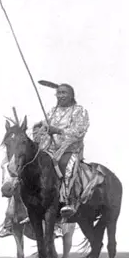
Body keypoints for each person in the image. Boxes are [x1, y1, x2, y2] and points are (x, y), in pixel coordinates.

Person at [32, 83, 90, 218]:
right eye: (59, 93)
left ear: (71, 95)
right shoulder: (52, 112)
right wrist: (40, 129)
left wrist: (58, 130)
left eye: (64, 93)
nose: (61, 96)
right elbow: (43, 130)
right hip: (49, 149)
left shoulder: (79, 110)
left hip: (69, 149)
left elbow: (79, 131)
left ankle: (68, 201)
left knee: (66, 168)